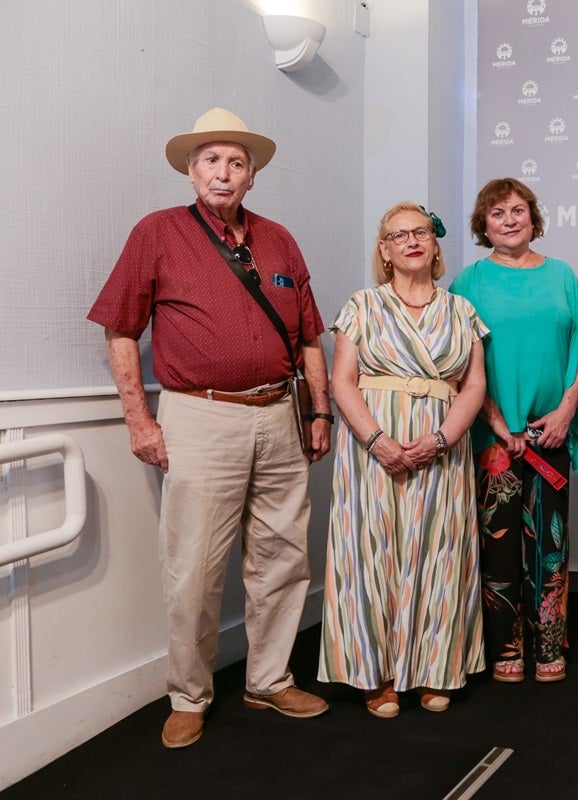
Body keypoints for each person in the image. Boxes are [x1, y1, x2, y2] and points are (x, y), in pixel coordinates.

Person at [87, 108, 332, 749]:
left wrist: (320, 410)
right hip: (199, 413)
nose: (222, 172)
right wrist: (139, 419)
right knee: (193, 566)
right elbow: (120, 329)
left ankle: (270, 679)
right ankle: (189, 694)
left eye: (235, 162)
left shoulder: (279, 239)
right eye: (210, 160)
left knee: (283, 557)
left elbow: (309, 337)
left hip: (280, 413)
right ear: (192, 172)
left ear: (251, 177)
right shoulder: (158, 232)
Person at [318, 203, 487, 716]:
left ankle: (436, 668)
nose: (411, 240)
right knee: (372, 556)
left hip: (442, 449)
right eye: (398, 235)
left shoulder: (462, 311)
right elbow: (341, 381)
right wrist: (376, 440)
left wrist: (441, 439)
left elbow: (474, 384)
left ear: (434, 245)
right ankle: (378, 675)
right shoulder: (362, 305)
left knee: (440, 553)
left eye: (421, 232)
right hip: (373, 450)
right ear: (385, 251)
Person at [450, 178, 578, 684]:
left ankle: (549, 642)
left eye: (518, 210)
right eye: (497, 213)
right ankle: (506, 645)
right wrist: (495, 421)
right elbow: (460, 363)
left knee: (550, 541)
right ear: (482, 224)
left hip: (550, 432)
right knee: (498, 541)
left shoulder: (562, 276)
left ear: (533, 218)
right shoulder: (468, 282)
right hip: (494, 438)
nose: (509, 220)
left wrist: (565, 410)